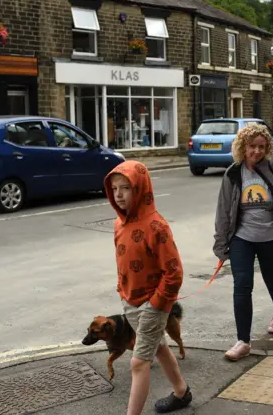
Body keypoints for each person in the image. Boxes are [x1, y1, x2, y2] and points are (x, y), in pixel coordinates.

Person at [104, 161, 192, 414]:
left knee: (138, 363)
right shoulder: (118, 224)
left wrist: (156, 305)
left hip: (153, 305)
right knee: (160, 347)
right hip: (129, 302)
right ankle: (181, 391)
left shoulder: (156, 226)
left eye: (125, 188)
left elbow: (173, 272)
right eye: (114, 189)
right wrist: (123, 288)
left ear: (140, 188)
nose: (118, 195)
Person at [214, 124, 273, 361]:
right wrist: (221, 244)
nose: (257, 151)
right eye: (252, 146)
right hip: (242, 238)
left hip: (270, 238)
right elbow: (222, 211)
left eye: (262, 147)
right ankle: (243, 341)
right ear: (242, 147)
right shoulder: (232, 173)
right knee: (242, 285)